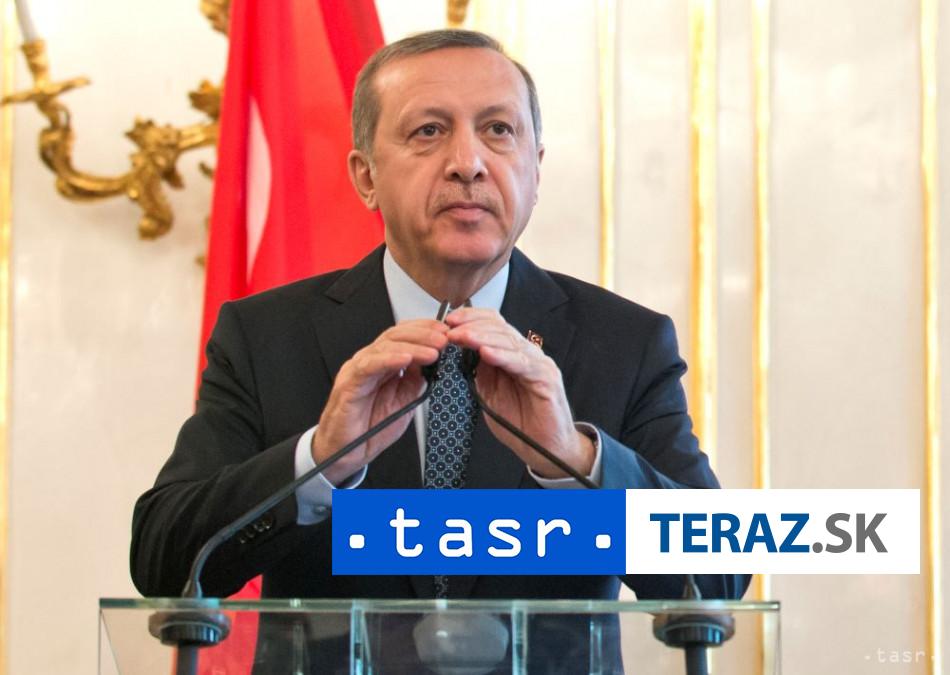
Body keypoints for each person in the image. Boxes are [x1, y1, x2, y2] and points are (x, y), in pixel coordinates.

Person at [131, 29, 747, 672]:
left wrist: (575, 459)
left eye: (498, 131)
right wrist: (317, 461)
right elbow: (162, 560)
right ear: (366, 176)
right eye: (428, 131)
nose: (468, 162)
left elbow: (718, 576)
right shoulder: (267, 336)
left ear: (536, 169)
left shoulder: (622, 342)